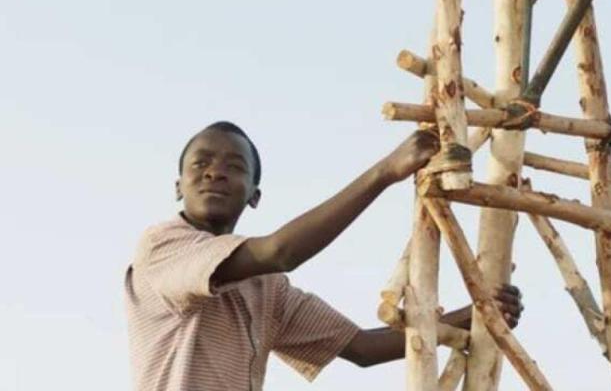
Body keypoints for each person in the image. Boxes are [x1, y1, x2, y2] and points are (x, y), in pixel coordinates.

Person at [124, 121, 523, 391]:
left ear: (254, 195)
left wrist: (472, 316)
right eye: (201, 163)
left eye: (234, 166)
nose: (215, 172)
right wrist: (384, 173)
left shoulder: (266, 289)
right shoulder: (162, 247)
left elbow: (362, 349)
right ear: (178, 186)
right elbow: (281, 251)